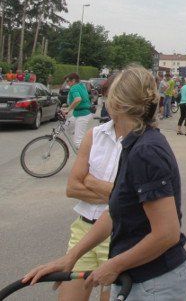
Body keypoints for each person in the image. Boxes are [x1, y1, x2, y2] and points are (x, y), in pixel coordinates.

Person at [24, 65, 186, 299]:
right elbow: (115, 211)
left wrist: (114, 265)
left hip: (154, 283)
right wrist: (70, 258)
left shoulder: (146, 151)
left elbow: (167, 233)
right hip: (139, 278)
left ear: (116, 104)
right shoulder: (133, 142)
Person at [55, 74, 122, 301]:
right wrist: (114, 193)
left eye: (118, 96)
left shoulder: (141, 143)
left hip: (117, 235)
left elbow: (132, 198)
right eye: (108, 96)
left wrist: (91, 181)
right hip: (83, 228)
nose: (112, 102)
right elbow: (72, 188)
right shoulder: (96, 135)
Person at [63, 73, 93, 148]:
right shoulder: (81, 85)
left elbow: (78, 99)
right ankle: (82, 140)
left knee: (78, 142)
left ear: (73, 80)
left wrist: (68, 109)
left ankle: (85, 154)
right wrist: (67, 106)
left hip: (83, 115)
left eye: (68, 81)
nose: (67, 83)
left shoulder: (74, 87)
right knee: (66, 127)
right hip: (78, 114)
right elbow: (81, 99)